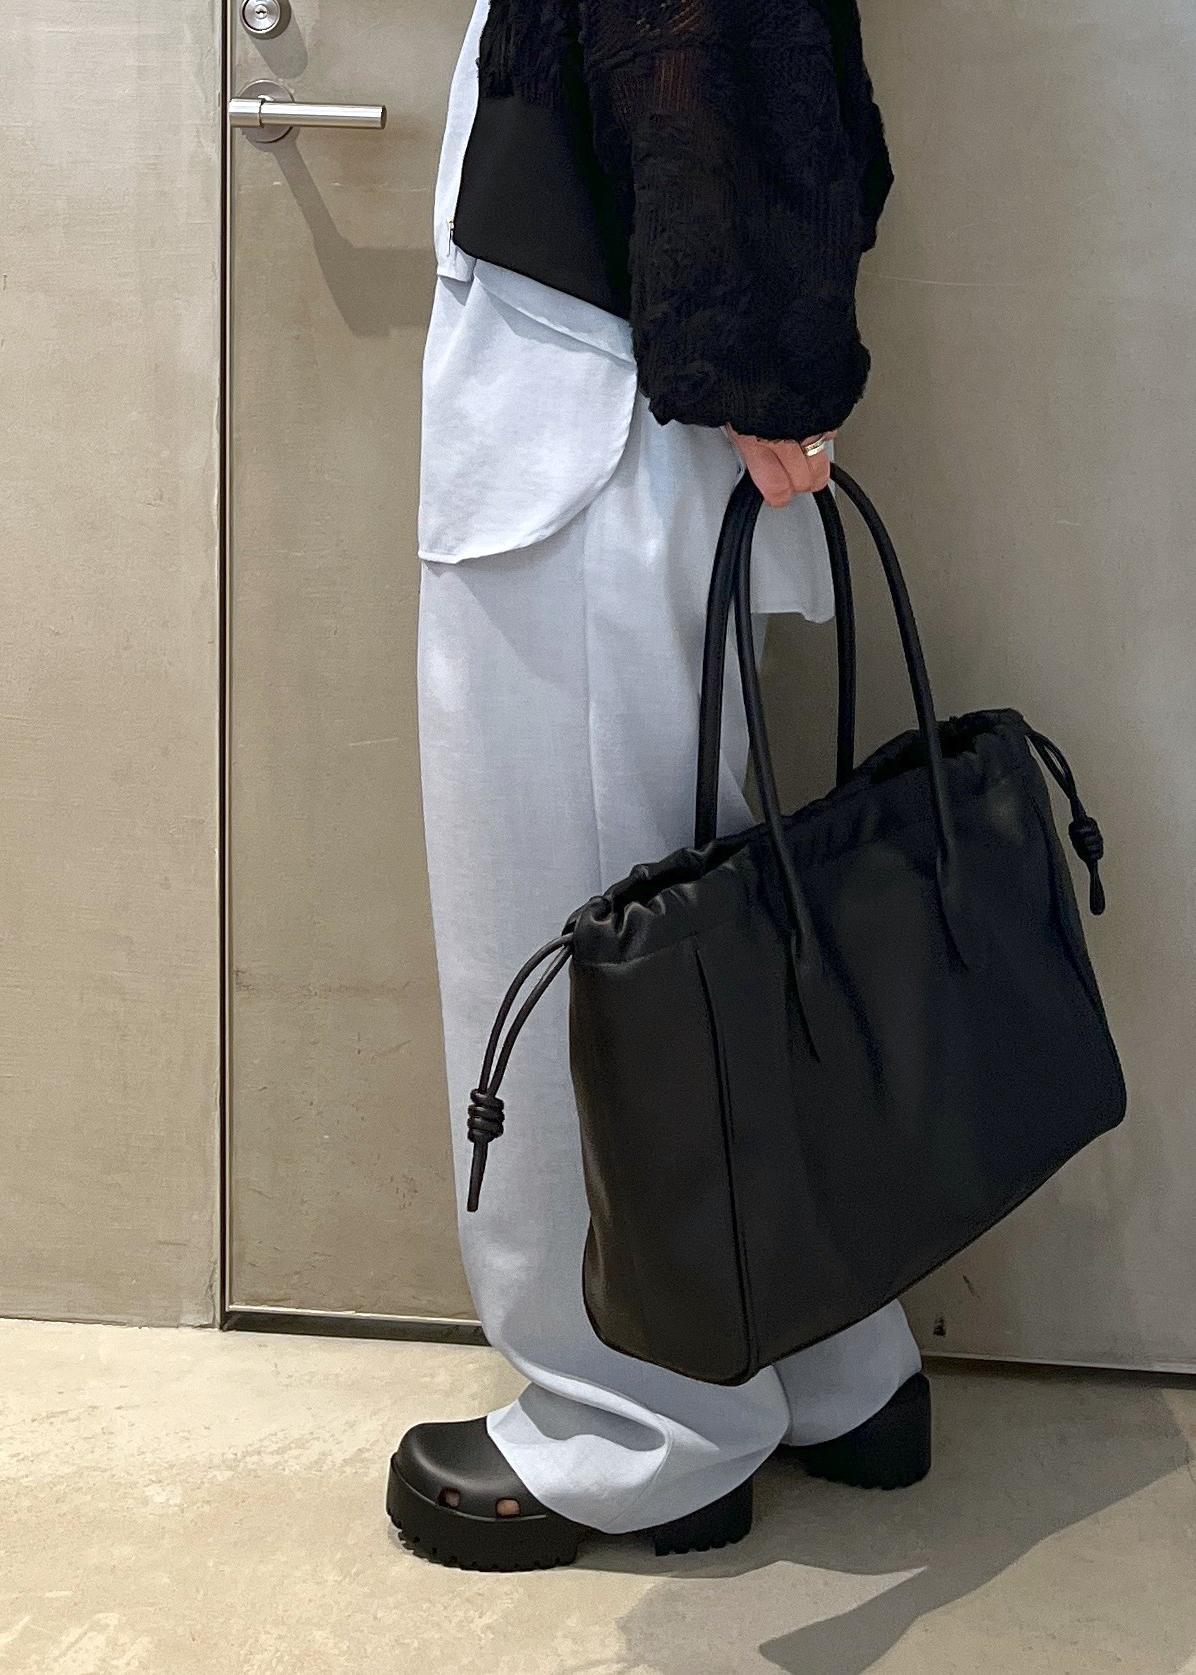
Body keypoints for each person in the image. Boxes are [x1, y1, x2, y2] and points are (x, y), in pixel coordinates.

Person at [387, 0, 930, 1571]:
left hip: (585, 407)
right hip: (626, 374)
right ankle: (833, 1364)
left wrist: (764, 355)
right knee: (711, 932)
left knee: (583, 945)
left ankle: (642, 1422)